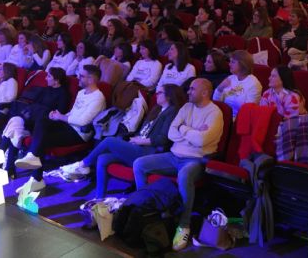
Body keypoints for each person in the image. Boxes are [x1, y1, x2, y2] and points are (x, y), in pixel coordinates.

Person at [133, 78, 223, 252]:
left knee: (184, 175)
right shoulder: (186, 107)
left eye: (192, 89)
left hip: (196, 160)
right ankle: (145, 210)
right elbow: (171, 133)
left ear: (204, 92)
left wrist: (184, 129)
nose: (188, 92)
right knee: (139, 164)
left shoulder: (215, 113)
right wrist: (191, 132)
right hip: (173, 155)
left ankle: (184, 225)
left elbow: (202, 140)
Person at [60, 84, 187, 197]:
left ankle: (83, 165)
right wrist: (135, 139)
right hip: (139, 146)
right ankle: (100, 199)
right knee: (103, 158)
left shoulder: (172, 112)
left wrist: (140, 141)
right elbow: (144, 130)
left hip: (150, 152)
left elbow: (163, 139)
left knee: (109, 141)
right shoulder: (157, 109)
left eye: (160, 93)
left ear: (169, 96)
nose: (156, 95)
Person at [15, 65, 107, 192]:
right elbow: (73, 113)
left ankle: (36, 177)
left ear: (91, 79)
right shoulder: (81, 93)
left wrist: (61, 117)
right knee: (43, 120)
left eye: (82, 76)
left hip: (79, 134)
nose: (78, 78)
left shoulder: (98, 97)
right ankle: (33, 162)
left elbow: (82, 121)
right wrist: (58, 116)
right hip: (68, 126)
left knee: (43, 137)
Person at [0, 68, 70, 177]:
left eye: (49, 77)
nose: (46, 78)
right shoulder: (46, 89)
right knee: (14, 123)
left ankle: (3, 162)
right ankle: (8, 167)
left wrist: (42, 110)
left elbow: (57, 113)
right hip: (32, 119)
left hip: (45, 125)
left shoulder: (63, 94)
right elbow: (35, 104)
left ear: (56, 80)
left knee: (14, 127)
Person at [212, 50, 262, 117]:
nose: (229, 64)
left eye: (233, 62)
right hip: (223, 116)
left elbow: (249, 110)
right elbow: (216, 102)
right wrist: (219, 88)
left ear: (242, 64)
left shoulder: (253, 83)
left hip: (240, 119)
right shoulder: (231, 78)